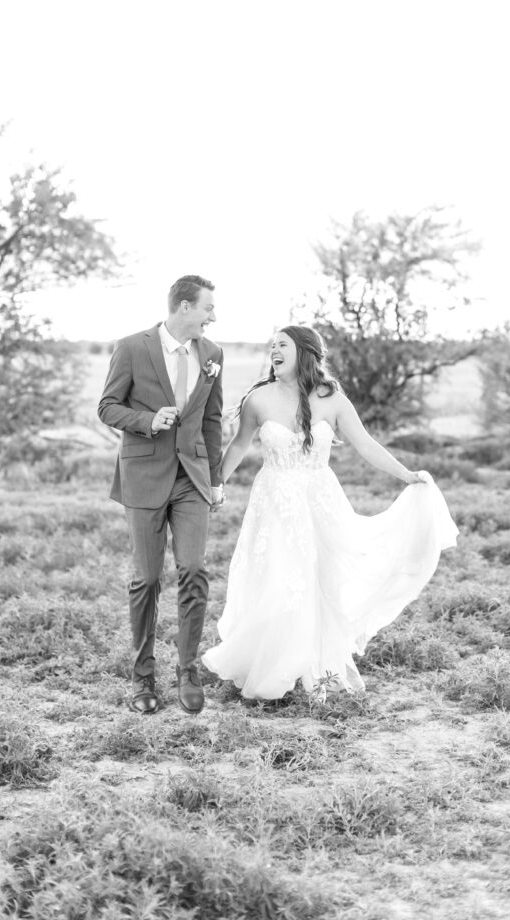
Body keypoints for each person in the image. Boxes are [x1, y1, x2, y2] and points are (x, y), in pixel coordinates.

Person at [202, 325, 458, 701]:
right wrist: (215, 484)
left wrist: (406, 475)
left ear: (304, 353)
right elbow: (238, 446)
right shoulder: (258, 399)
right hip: (274, 502)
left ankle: (315, 667)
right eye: (271, 346)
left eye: (282, 345)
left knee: (322, 578)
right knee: (280, 577)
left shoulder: (331, 397)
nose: (274, 350)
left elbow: (365, 444)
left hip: (321, 500)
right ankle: (275, 665)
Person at [98, 275, 224, 715]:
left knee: (193, 568)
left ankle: (187, 671)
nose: (214, 316)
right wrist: (149, 420)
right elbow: (107, 406)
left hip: (192, 477)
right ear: (184, 307)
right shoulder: (133, 347)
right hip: (145, 475)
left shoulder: (212, 354)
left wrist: (217, 479)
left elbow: (211, 420)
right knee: (147, 579)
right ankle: (142, 677)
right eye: (209, 308)